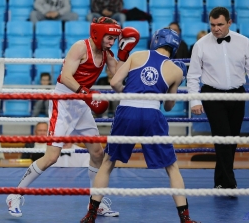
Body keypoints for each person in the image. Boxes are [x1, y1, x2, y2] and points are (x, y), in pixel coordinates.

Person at [6, 17, 140, 219]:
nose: (112, 42)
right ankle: (14, 195)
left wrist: (123, 53)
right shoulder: (80, 47)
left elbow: (116, 78)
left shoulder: (107, 53)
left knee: (97, 153)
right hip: (64, 100)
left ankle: (97, 203)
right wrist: (86, 93)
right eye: (109, 37)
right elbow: (67, 76)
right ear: (98, 34)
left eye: (114, 38)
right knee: (51, 156)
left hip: (81, 102)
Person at [80, 28, 199, 223]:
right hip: (152, 114)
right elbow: (169, 106)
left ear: (156, 41)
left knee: (108, 162)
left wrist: (130, 94)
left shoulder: (138, 55)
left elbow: (115, 82)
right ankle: (185, 218)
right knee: (172, 167)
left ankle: (91, 214)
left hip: (127, 111)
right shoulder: (177, 71)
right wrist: (174, 83)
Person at [187, 7, 249, 192]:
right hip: (212, 94)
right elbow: (192, 76)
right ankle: (230, 183)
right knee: (223, 137)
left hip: (237, 94)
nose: (216, 29)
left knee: (231, 140)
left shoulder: (244, 42)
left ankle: (220, 181)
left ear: (229, 23)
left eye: (220, 24)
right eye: (213, 25)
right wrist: (195, 100)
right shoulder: (200, 44)